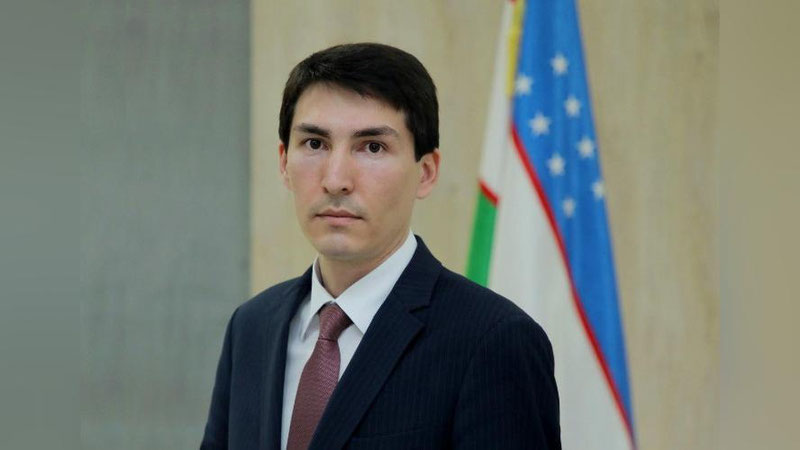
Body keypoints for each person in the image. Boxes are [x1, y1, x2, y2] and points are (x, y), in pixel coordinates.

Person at [201, 43, 560, 450]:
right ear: (284, 162)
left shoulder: (492, 340)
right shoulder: (252, 328)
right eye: (315, 144)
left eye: (372, 147)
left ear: (426, 172)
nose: (336, 180)